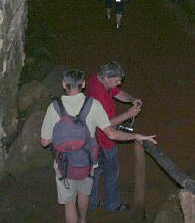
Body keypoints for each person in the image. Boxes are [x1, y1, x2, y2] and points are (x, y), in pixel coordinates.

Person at [41, 69, 156, 223]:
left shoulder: (54, 108)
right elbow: (112, 134)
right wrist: (136, 136)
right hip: (86, 163)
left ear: (64, 84)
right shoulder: (93, 105)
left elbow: (44, 141)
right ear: (83, 84)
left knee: (69, 204)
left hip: (64, 164)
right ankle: (83, 220)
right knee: (83, 195)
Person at [86, 61, 144, 213]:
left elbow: (118, 93)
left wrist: (131, 99)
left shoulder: (98, 80)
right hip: (102, 140)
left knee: (94, 173)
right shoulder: (98, 95)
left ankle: (90, 204)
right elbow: (105, 125)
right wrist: (128, 114)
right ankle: (113, 205)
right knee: (111, 172)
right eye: (117, 80)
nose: (119, 83)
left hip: (92, 140)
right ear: (106, 77)